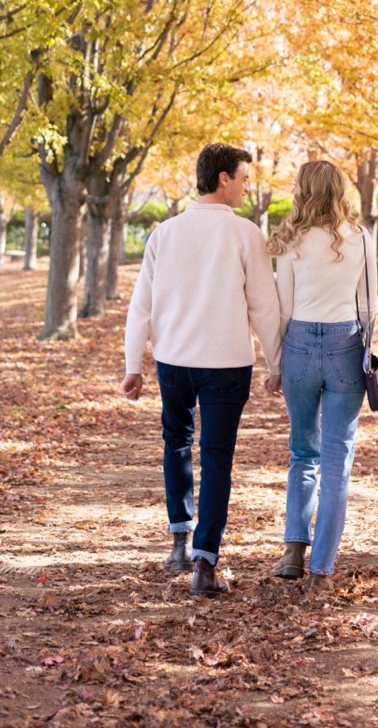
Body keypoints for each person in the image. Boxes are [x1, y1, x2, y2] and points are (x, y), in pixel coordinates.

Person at [121, 143, 281, 599]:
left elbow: (142, 306)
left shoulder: (164, 233)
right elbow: (264, 306)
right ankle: (205, 564)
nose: (248, 187)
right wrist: (276, 364)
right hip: (227, 363)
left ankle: (178, 542)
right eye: (244, 178)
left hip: (174, 360)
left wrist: (135, 364)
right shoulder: (246, 234)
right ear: (223, 179)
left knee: (176, 443)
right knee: (216, 458)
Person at [268, 161, 378, 596]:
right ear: (340, 190)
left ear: (303, 192)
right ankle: (322, 570)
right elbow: (369, 308)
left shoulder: (291, 240)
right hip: (345, 348)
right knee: (337, 461)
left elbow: (282, 308)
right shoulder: (361, 238)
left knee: (302, 451)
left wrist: (275, 365)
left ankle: (293, 550)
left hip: (298, 347)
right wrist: (365, 350)